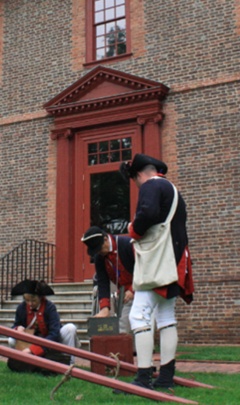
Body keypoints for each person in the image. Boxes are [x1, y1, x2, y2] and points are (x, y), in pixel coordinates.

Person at [118, 153, 194, 391]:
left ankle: (143, 377)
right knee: (166, 318)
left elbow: (147, 215)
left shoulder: (151, 185)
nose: (137, 184)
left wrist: (134, 230)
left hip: (157, 262)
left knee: (138, 316)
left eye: (135, 180)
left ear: (140, 174)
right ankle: (165, 377)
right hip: (174, 261)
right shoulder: (173, 190)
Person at [7, 279, 80, 365]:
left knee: (70, 328)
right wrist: (18, 328)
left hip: (50, 340)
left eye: (33, 300)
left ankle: (69, 363)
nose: (30, 303)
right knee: (11, 339)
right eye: (27, 300)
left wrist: (32, 350)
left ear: (40, 297)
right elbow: (16, 325)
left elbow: (54, 333)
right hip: (31, 341)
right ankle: (21, 362)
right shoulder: (21, 308)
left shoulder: (50, 307)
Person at [81, 226, 135, 333]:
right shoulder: (99, 257)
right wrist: (105, 308)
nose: (98, 252)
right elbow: (103, 282)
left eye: (99, 248)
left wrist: (133, 289)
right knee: (122, 329)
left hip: (142, 287)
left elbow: (142, 268)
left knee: (142, 324)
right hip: (125, 294)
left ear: (105, 239)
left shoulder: (127, 244)